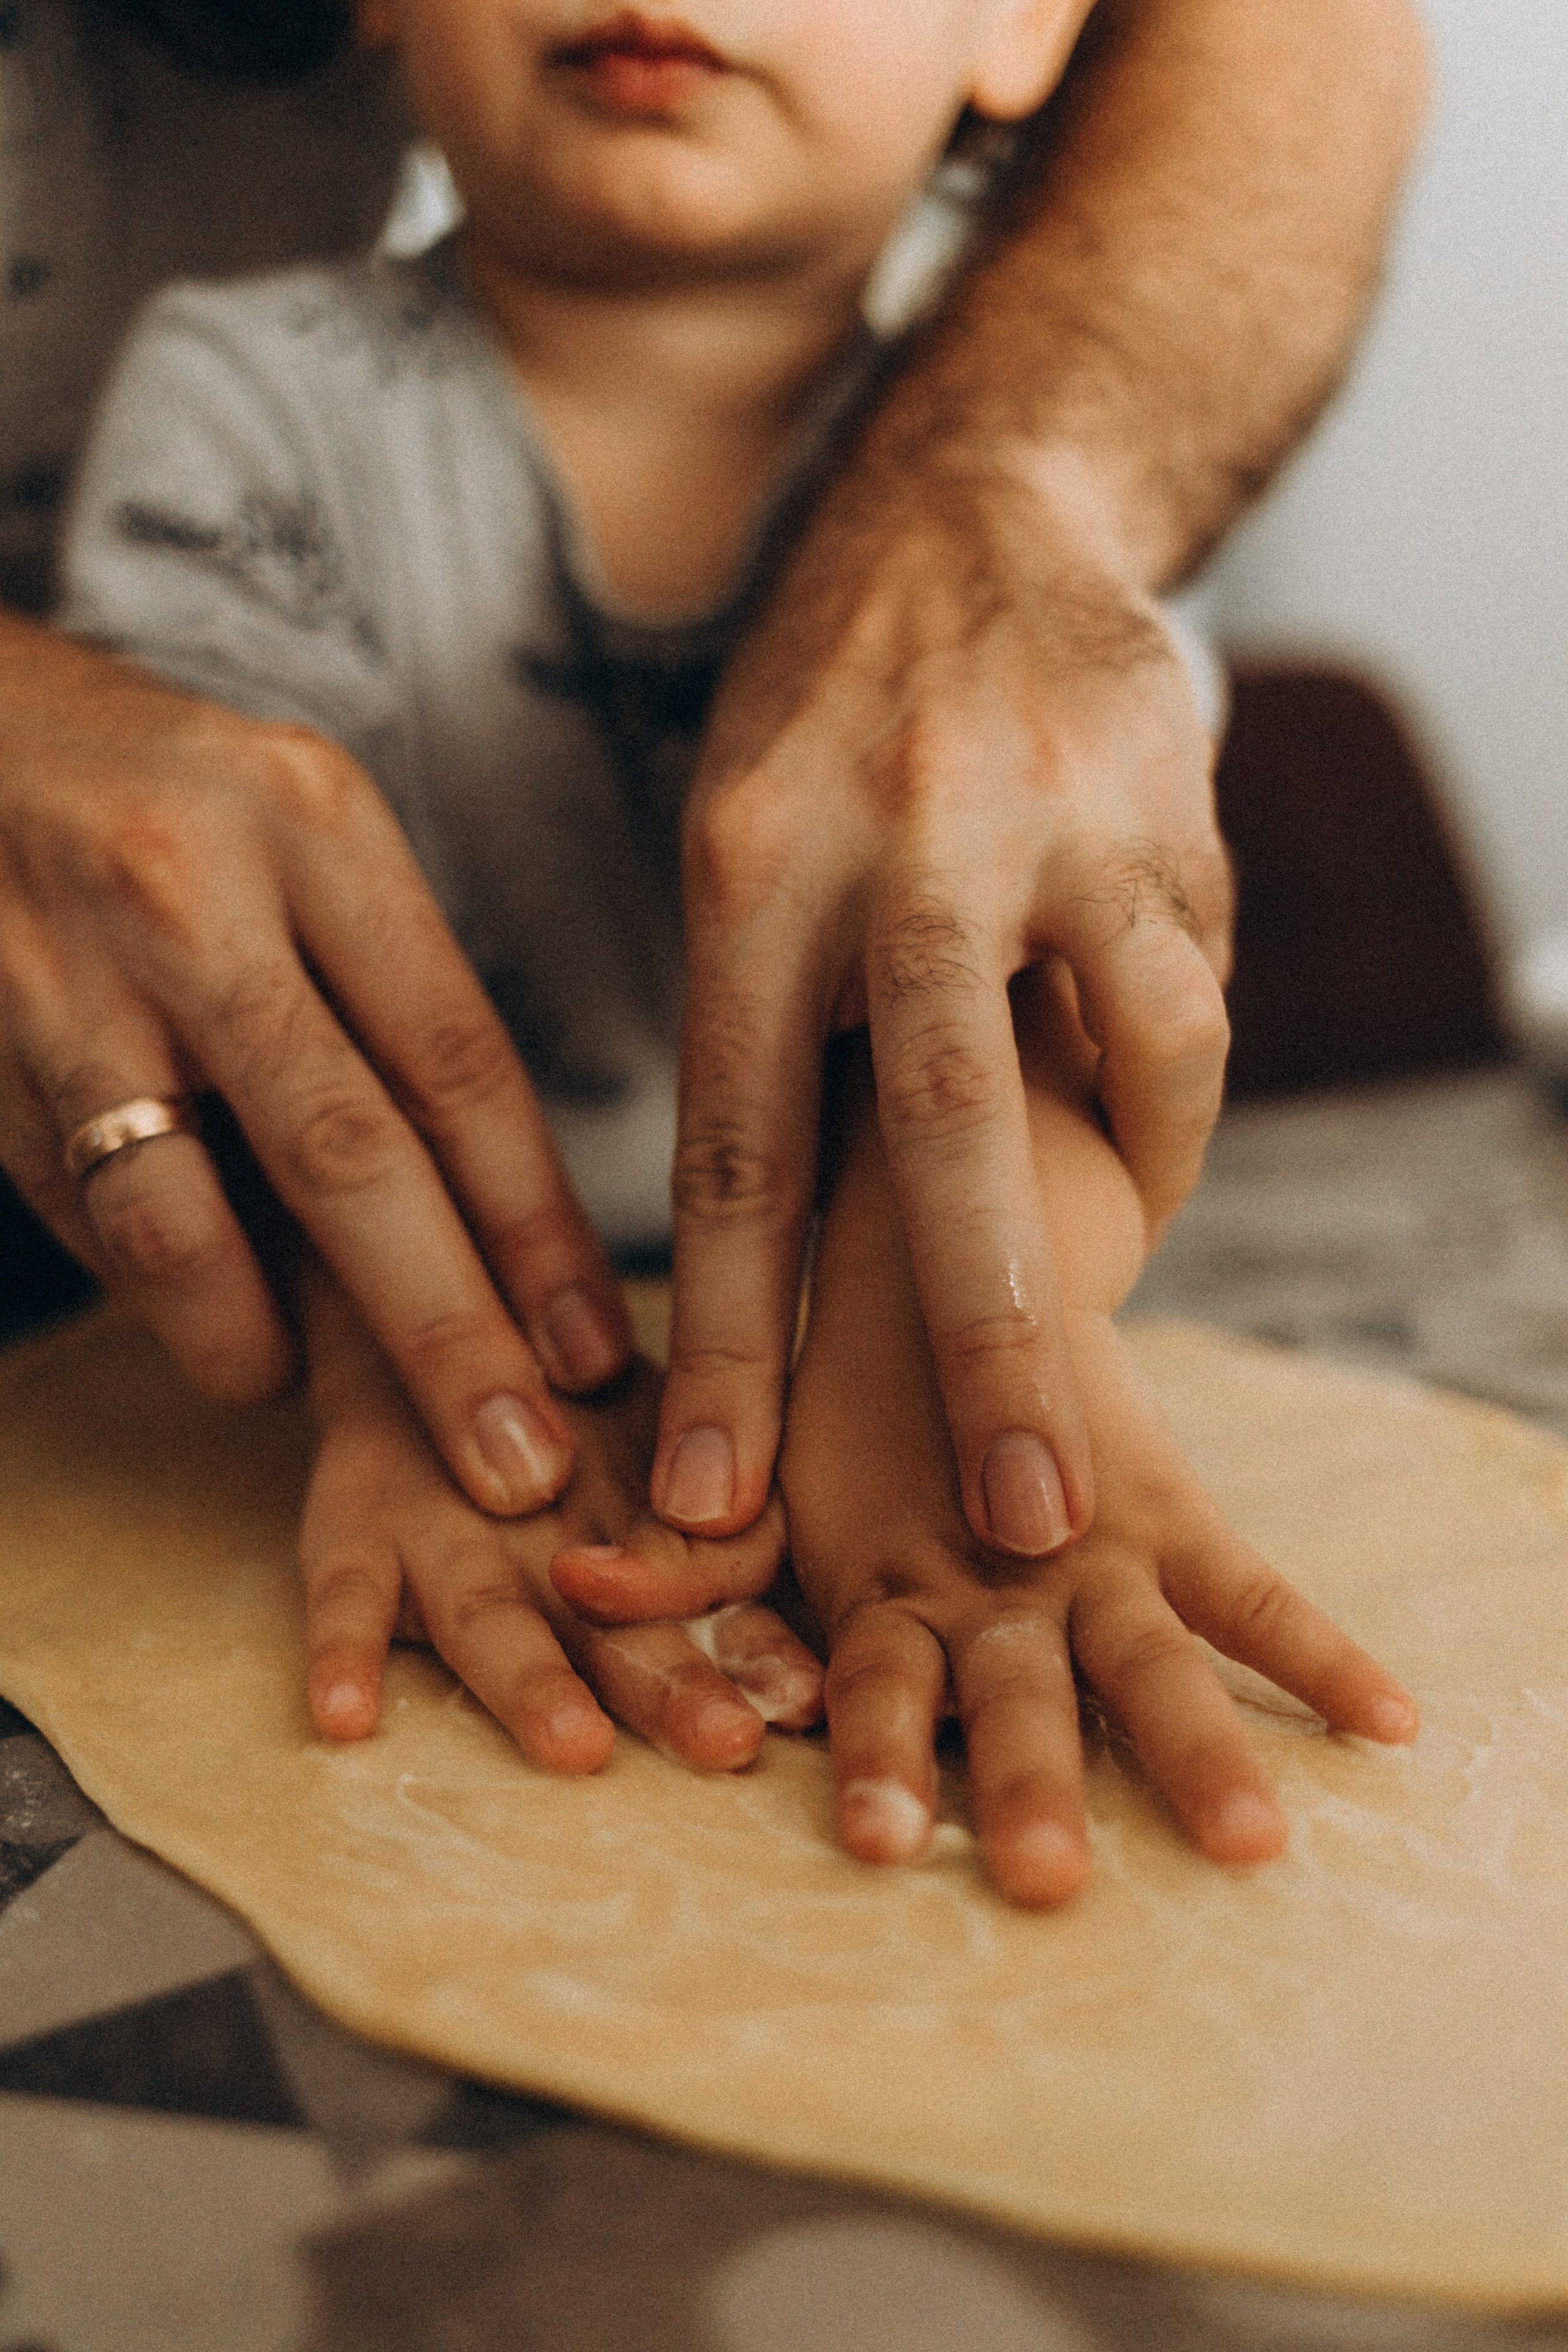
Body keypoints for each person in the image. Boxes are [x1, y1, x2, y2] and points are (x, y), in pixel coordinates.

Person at [53, 0, 1418, 1904]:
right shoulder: (243, 398)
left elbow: (1047, 1026)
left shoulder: (1043, 454)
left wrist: (979, 1369)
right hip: (418, 1337)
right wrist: (425, 1386)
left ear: (1025, 26)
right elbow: (222, 992)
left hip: (860, 1348)